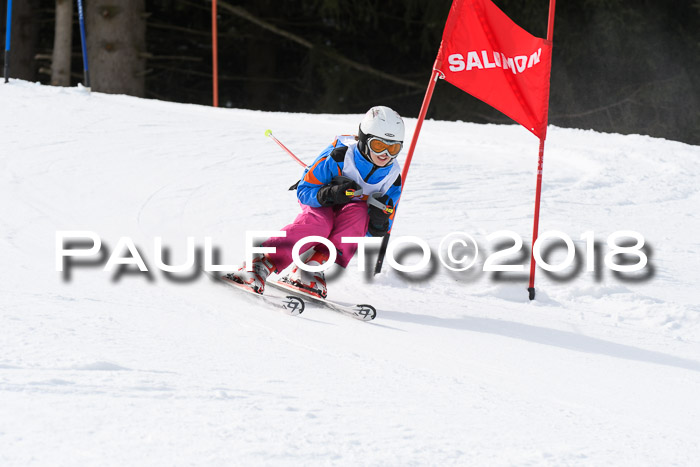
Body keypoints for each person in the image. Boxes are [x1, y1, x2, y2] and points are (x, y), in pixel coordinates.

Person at [228, 105, 405, 298]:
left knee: (359, 215)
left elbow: (375, 230)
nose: (385, 154)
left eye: (393, 147)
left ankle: (311, 266)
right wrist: (331, 194)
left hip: (353, 210)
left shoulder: (392, 178)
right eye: (378, 146)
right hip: (320, 201)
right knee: (319, 224)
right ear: (363, 140)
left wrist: (378, 222)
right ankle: (261, 262)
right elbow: (304, 191)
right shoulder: (340, 156)